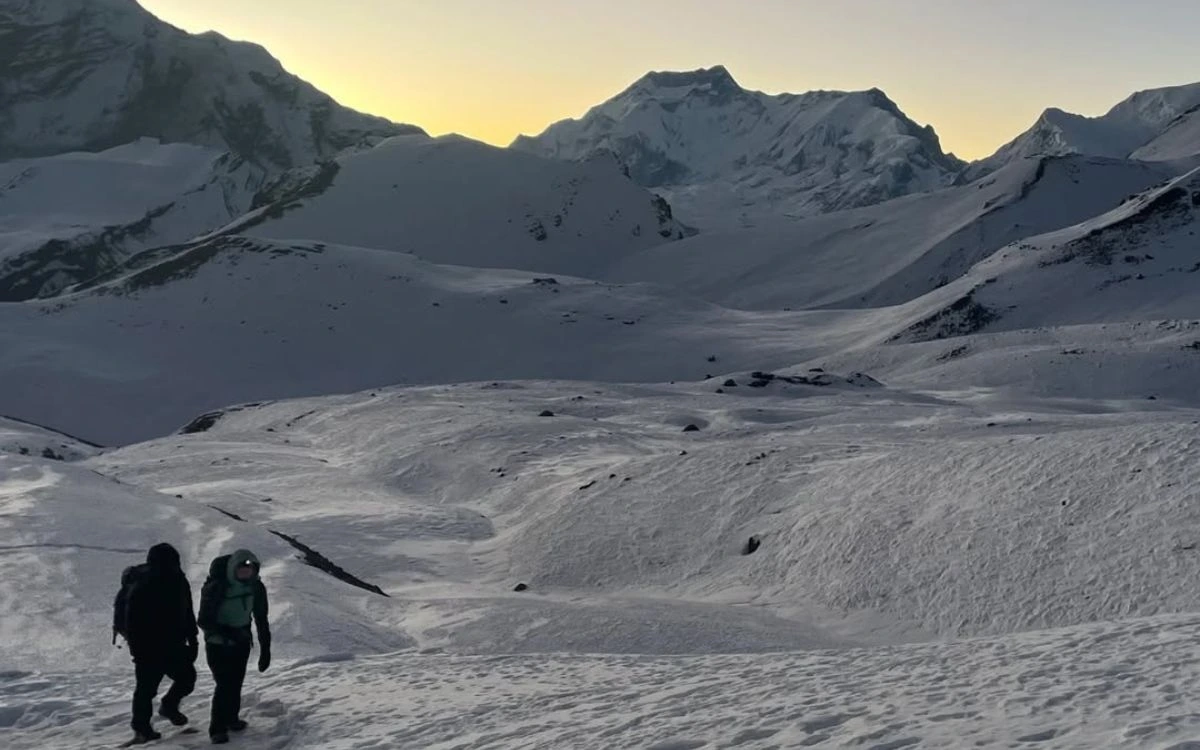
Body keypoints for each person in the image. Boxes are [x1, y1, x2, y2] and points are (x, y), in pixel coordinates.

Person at [122, 542, 199, 744]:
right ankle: (142, 729)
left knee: (186, 679)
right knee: (146, 690)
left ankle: (168, 707)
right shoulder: (144, 585)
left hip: (172, 644)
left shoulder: (179, 581)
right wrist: (138, 650)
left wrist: (193, 640)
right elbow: (133, 621)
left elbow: (187, 612)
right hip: (150, 648)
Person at [198, 549, 271, 745]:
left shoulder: (256, 588)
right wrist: (229, 633)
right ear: (233, 570)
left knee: (236, 681)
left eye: (250, 570)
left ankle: (231, 718)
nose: (246, 574)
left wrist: (266, 650)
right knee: (224, 684)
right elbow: (204, 620)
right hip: (217, 644)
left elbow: (261, 618)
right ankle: (217, 728)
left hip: (241, 642)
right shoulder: (217, 587)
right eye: (242, 570)